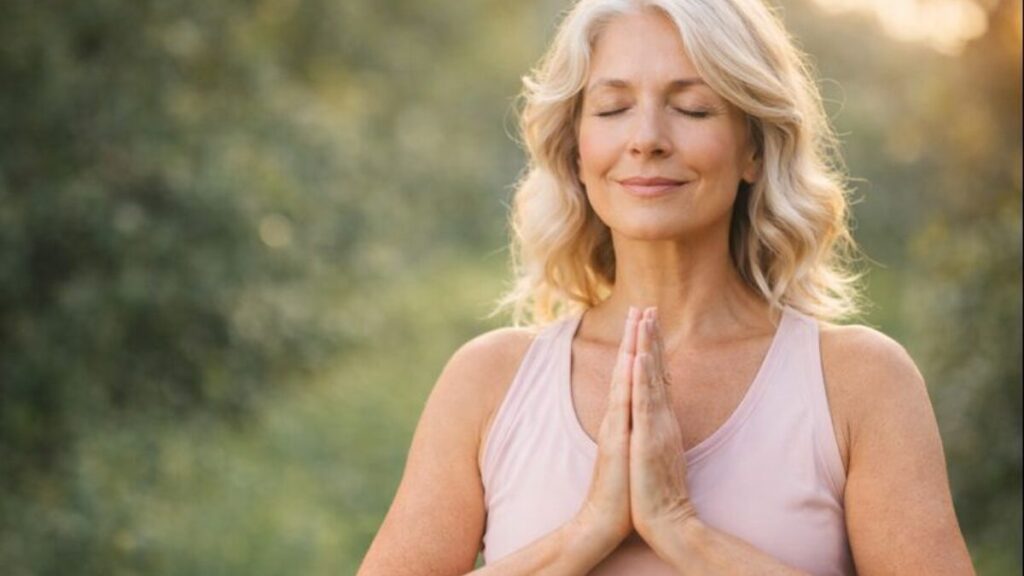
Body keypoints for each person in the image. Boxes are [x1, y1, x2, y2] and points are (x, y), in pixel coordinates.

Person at [358, 0, 975, 574]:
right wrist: (586, 532)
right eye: (611, 108)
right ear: (577, 150)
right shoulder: (486, 381)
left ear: (753, 150)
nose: (647, 138)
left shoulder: (860, 383)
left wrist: (683, 531)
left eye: (693, 108)